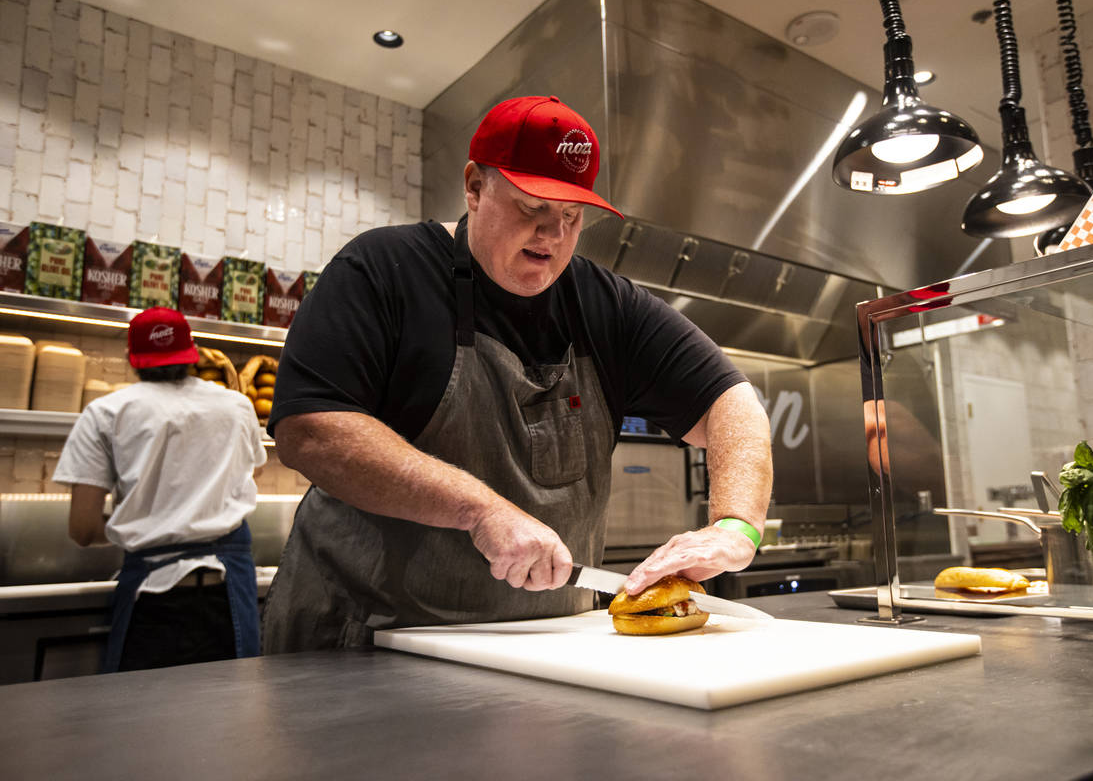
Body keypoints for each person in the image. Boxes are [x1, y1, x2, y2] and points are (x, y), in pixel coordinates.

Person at [262, 95, 772, 652]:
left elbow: (732, 402)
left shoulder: (608, 306)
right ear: (475, 187)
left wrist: (734, 527)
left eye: (572, 217)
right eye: (532, 207)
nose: (552, 236)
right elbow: (309, 427)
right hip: (364, 648)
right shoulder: (384, 270)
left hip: (541, 654)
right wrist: (477, 508)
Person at [53, 307, 267, 672]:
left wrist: (148, 518)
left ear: (130, 358)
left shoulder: (106, 412)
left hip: (151, 601)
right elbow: (254, 471)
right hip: (229, 589)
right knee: (232, 717)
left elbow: (83, 529)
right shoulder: (237, 406)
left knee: (143, 721)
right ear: (193, 351)